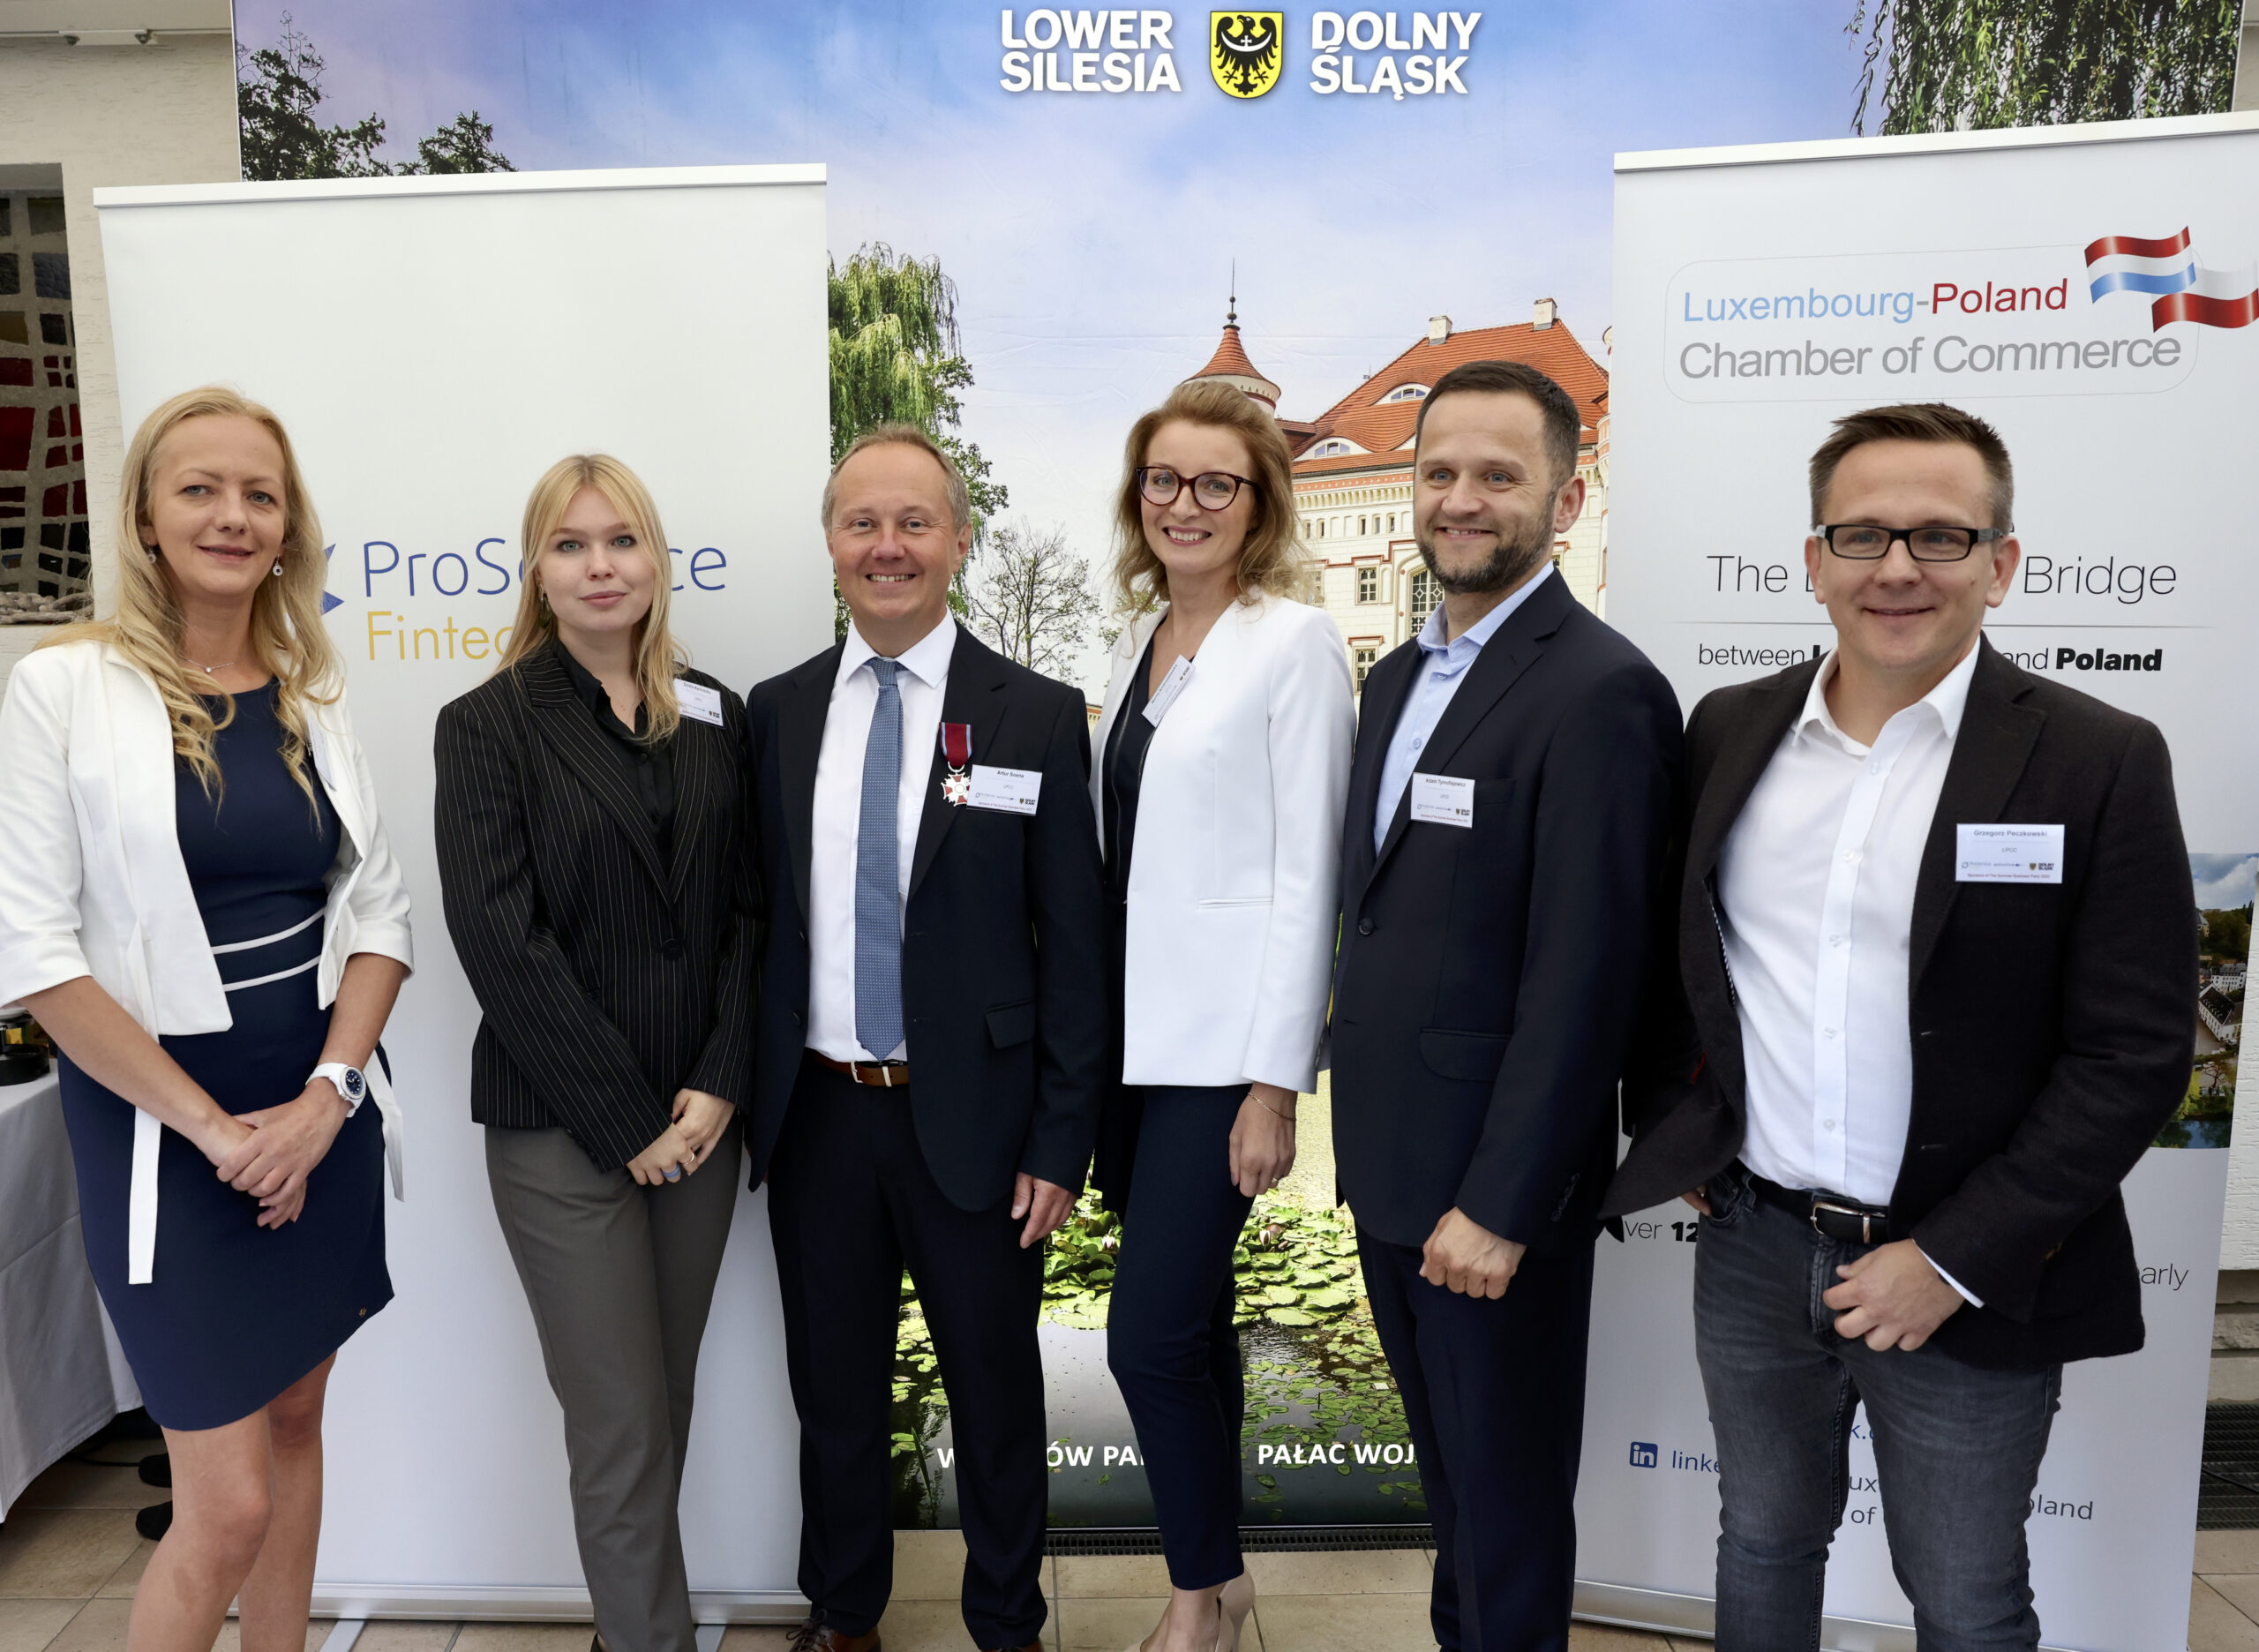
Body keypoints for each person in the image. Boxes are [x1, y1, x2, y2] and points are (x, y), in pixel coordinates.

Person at [1604, 403, 2193, 1652]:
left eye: (1941, 536)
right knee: (1763, 1541)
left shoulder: (2098, 758)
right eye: (1863, 535)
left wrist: (1954, 1259)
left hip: (1966, 1268)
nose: (1899, 568)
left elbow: (2135, 1054)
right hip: (1755, 1243)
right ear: (1814, 561)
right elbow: (1675, 957)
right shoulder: (1730, 729)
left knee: (1966, 1598)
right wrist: (1678, 1117)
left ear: (2002, 563)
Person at [0, 387, 412, 1652]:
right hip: (161, 1137)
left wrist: (325, 1103)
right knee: (223, 1506)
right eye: (200, 489)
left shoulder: (312, 695)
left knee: (297, 1422)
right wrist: (222, 1134)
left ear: (288, 528)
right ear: (145, 514)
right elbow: (36, 955)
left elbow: (380, 915)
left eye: (260, 495)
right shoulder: (61, 688)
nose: (233, 516)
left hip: (318, 1115)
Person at [1328, 360, 1683, 1652]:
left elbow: (1592, 975)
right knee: (1458, 1500)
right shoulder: (1392, 683)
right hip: (1392, 1171)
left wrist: (1503, 1202)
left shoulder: (1600, 689)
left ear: (1566, 500)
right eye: (1439, 473)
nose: (1460, 500)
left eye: (1497, 475)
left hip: (1489, 1197)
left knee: (1509, 1510)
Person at [743, 424, 1107, 1652]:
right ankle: (844, 1614)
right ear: (832, 544)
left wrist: (1060, 1140)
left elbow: (1077, 950)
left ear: (958, 539)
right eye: (863, 523)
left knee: (995, 1394)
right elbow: (759, 923)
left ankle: (1006, 1620)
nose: (887, 546)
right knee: (835, 1396)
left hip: (982, 1123)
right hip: (819, 1117)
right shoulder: (779, 714)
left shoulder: (1035, 716)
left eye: (913, 522)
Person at [434, 454, 755, 1652]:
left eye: (622, 541)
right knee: (619, 1424)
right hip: (563, 1131)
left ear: (657, 561)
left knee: (660, 1408)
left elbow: (751, 915)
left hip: (702, 1124)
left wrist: (720, 1078)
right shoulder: (487, 726)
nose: (600, 566)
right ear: (536, 570)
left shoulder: (716, 714)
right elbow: (499, 942)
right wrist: (632, 1125)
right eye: (570, 545)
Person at [1088, 381, 1354, 1652]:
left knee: (1144, 1338)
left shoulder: (1293, 643)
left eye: (1214, 483)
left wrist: (1273, 1083)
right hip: (1127, 1054)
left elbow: (1310, 876)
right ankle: (1227, 1570)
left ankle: (1197, 1596)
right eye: (1163, 480)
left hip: (1217, 1061)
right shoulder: (1133, 642)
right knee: (1189, 1328)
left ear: (1259, 505)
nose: (1183, 504)